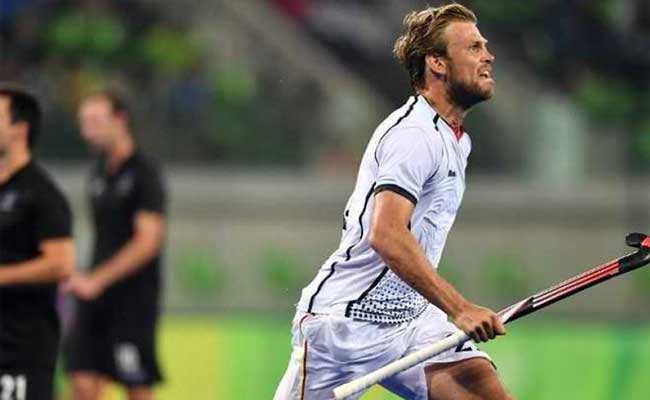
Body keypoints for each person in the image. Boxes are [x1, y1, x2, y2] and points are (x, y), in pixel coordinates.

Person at [274, 4, 513, 399]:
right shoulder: (414, 135)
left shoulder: (456, 139)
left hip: (412, 323)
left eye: (484, 46)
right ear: (437, 63)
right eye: (473, 47)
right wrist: (459, 308)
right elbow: (385, 234)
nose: (487, 56)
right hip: (345, 328)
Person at [63, 90, 166, 400]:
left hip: (132, 299)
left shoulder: (144, 173)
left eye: (95, 121)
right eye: (84, 123)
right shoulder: (98, 173)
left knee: (136, 385)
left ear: (120, 120)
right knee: (81, 382)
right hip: (94, 297)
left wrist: (98, 280)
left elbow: (148, 241)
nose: (87, 132)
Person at [0, 86, 75, 399]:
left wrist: (3, 275)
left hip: (20, 349)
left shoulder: (41, 194)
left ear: (19, 129)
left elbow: (61, 263)